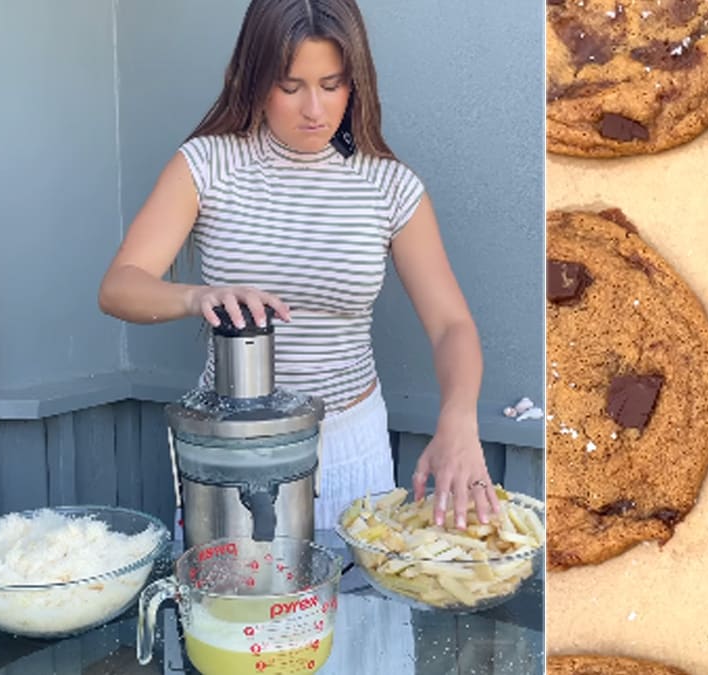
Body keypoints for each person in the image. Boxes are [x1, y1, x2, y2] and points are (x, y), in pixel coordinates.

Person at [98, 0, 496, 531]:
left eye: (332, 84)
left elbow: (452, 326)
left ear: (356, 82)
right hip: (232, 447)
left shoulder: (390, 186)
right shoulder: (207, 164)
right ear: (254, 79)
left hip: (351, 440)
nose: (315, 109)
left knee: (351, 608)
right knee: (231, 606)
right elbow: (120, 286)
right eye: (290, 87)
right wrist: (195, 297)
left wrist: (459, 419)